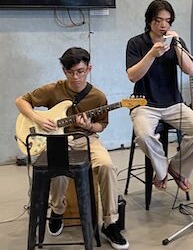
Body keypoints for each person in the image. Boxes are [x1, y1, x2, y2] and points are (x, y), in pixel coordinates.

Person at [15, 47, 129, 250]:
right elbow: (21, 101)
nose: (75, 77)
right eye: (70, 72)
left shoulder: (98, 97)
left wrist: (88, 126)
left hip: (86, 139)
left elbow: (101, 126)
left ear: (89, 68)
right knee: (57, 169)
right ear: (64, 70)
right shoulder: (53, 89)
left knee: (107, 166)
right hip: (57, 140)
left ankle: (110, 222)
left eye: (80, 71)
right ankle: (57, 211)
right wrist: (38, 117)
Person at [125, 0, 193, 192]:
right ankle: (162, 170)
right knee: (145, 136)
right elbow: (132, 76)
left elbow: (189, 70)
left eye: (168, 21)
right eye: (158, 20)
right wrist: (151, 54)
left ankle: (176, 168)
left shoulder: (175, 42)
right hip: (144, 103)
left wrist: (177, 45)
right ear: (149, 21)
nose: (163, 25)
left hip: (173, 103)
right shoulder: (136, 43)